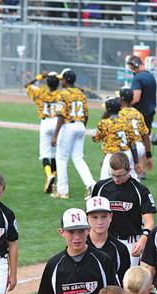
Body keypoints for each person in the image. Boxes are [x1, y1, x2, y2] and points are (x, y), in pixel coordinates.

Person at [91, 152, 157, 267]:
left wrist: (143, 239)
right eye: (113, 175)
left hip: (130, 242)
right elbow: (91, 215)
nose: (116, 179)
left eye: (120, 175)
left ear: (129, 169)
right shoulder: (100, 187)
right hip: (106, 240)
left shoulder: (140, 190)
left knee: (127, 280)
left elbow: (149, 220)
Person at [52, 69, 96, 200]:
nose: (61, 82)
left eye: (62, 80)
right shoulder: (81, 93)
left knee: (61, 158)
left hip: (68, 126)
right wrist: (82, 127)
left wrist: (55, 135)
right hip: (80, 125)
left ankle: (62, 191)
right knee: (78, 158)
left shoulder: (63, 94)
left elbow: (60, 115)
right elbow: (86, 114)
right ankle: (91, 185)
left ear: (65, 80)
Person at [26, 71, 64, 193]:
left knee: (45, 153)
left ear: (47, 83)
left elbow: (27, 85)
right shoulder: (61, 94)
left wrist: (40, 76)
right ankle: (53, 179)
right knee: (56, 154)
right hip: (58, 123)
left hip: (46, 122)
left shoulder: (40, 92)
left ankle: (49, 176)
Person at [86, 196, 131, 285]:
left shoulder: (120, 249)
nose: (99, 222)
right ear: (87, 218)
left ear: (111, 217)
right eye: (94, 217)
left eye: (104, 216)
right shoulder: (79, 246)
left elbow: (124, 282)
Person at [92, 97, 140, 181]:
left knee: (104, 182)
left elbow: (95, 139)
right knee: (133, 180)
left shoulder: (104, 123)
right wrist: (136, 162)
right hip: (126, 154)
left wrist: (104, 117)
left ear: (108, 110)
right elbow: (133, 145)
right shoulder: (127, 122)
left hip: (112, 155)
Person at [119, 87, 153, 175]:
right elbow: (145, 136)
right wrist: (148, 155)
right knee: (133, 174)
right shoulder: (138, 114)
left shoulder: (119, 114)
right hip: (140, 147)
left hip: (128, 147)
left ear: (121, 99)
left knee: (125, 175)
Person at [126, 55, 157, 133]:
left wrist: (126, 105)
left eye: (132, 68)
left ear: (135, 65)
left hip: (139, 114)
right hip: (150, 114)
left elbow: (136, 98)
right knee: (146, 137)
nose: (132, 71)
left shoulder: (137, 78)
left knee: (135, 139)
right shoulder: (151, 77)